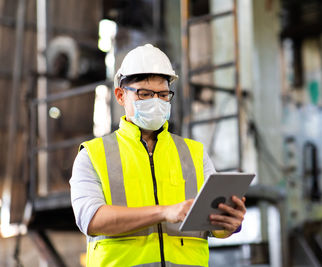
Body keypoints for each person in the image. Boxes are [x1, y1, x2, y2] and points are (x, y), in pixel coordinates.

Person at [70, 44, 246, 267]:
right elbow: (92, 219)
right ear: (120, 95)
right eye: (145, 94)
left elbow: (211, 226)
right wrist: (164, 212)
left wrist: (230, 223)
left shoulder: (194, 153)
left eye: (163, 94)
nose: (156, 101)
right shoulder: (93, 155)